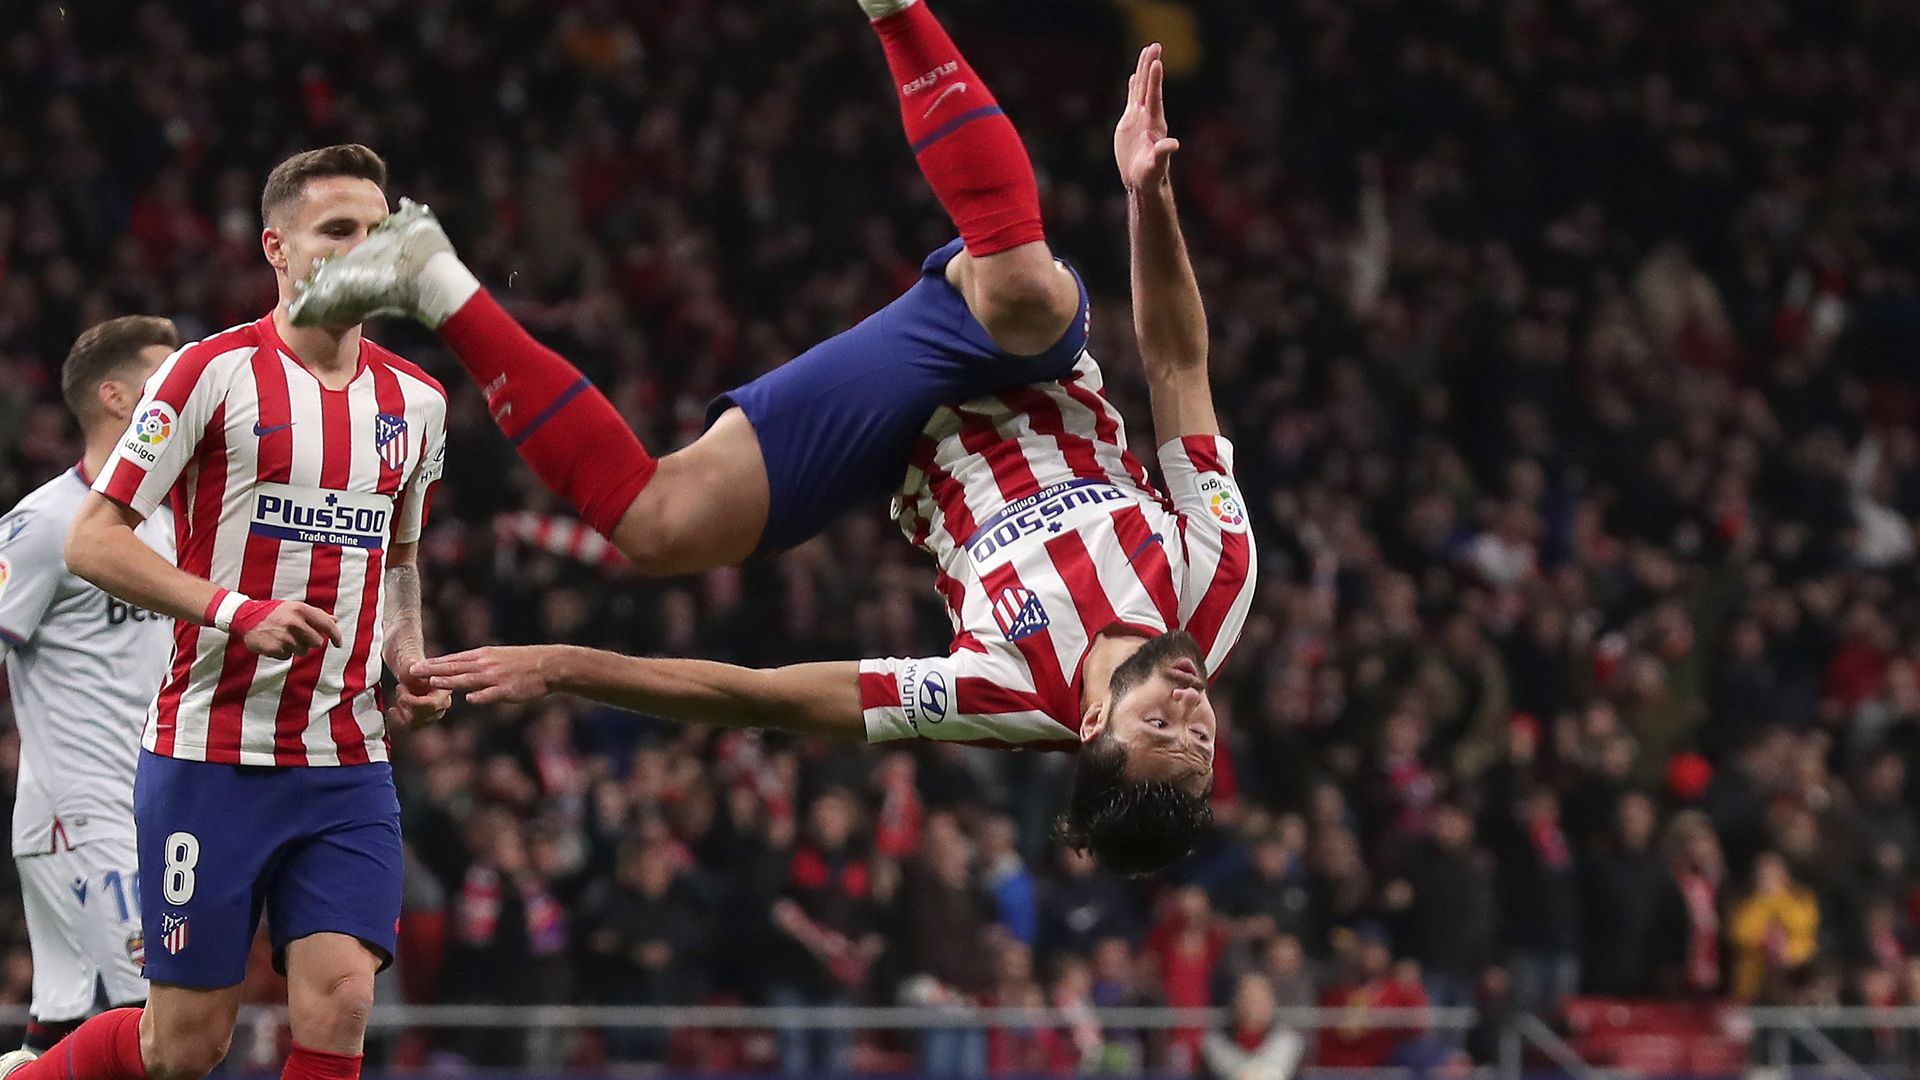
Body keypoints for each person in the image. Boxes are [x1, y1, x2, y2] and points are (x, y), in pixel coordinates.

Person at [298, 6, 1256, 877]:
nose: (1191, 708)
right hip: (1014, 352)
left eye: (1161, 727)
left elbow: (767, 697)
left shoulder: (999, 694)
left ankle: (429, 280)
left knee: (658, 525)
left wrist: (560, 666)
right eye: (1202, 738)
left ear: (1091, 724)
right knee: (1025, 290)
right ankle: (897, 10)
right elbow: (1176, 365)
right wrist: (1146, 194)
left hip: (895, 435)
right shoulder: (1215, 583)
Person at [0, 146, 451, 1080]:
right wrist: (235, 610)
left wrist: (407, 651)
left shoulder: (418, 402)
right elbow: (94, 539)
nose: (364, 249)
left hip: (345, 756)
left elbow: (400, 558)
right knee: (184, 1047)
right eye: (337, 231)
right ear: (275, 249)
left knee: (344, 1001)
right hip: (211, 754)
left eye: (380, 232)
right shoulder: (205, 376)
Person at [0, 317, 179, 1053]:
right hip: (79, 813)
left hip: (146, 803)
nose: (182, 401)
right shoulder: (42, 524)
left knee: (64, 1026)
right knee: (156, 1026)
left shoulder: (169, 523)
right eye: (164, 386)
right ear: (115, 398)